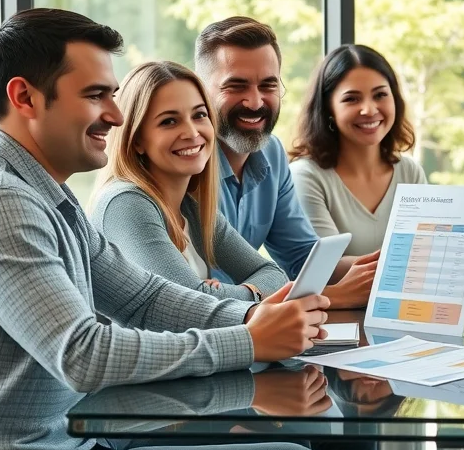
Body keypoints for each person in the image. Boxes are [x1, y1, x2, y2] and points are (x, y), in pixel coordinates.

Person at [0, 8, 331, 450]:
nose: (115, 115)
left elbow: (144, 299)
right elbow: (83, 354)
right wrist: (248, 337)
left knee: (299, 447)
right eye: (96, 96)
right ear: (24, 98)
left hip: (71, 445)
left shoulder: (48, 197)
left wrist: (251, 318)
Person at [194, 16, 376, 309]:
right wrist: (339, 296)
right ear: (200, 91)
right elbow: (194, 294)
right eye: (236, 86)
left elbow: (301, 257)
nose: (255, 102)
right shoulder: (186, 162)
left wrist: (386, 267)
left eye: (268, 85)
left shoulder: (272, 152)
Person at [91, 61, 288, 301]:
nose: (193, 133)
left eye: (199, 115)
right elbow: (188, 303)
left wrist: (239, 293)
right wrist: (232, 295)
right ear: (136, 140)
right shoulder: (125, 204)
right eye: (169, 121)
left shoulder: (191, 207)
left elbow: (273, 274)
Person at [289, 44, 426, 257]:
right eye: (351, 99)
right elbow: (329, 265)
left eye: (380, 95)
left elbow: (424, 253)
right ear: (328, 109)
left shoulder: (410, 172)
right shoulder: (306, 176)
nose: (369, 110)